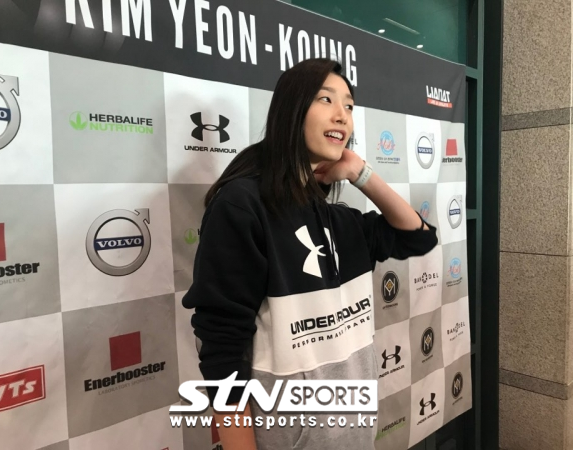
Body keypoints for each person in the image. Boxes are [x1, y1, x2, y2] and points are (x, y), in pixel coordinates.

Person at [182, 58, 438, 450]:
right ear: (293, 109)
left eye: (349, 106)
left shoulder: (340, 220)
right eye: (326, 99)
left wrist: (361, 173)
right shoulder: (243, 205)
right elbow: (221, 348)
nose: (342, 115)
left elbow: (418, 238)